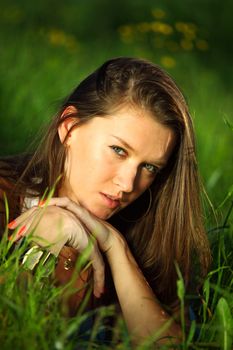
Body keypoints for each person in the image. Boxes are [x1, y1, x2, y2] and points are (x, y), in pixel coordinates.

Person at [0, 57, 211, 345]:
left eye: (149, 167)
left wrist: (117, 249)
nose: (127, 184)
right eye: (118, 150)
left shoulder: (152, 240)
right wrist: (38, 247)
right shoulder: (5, 196)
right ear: (69, 127)